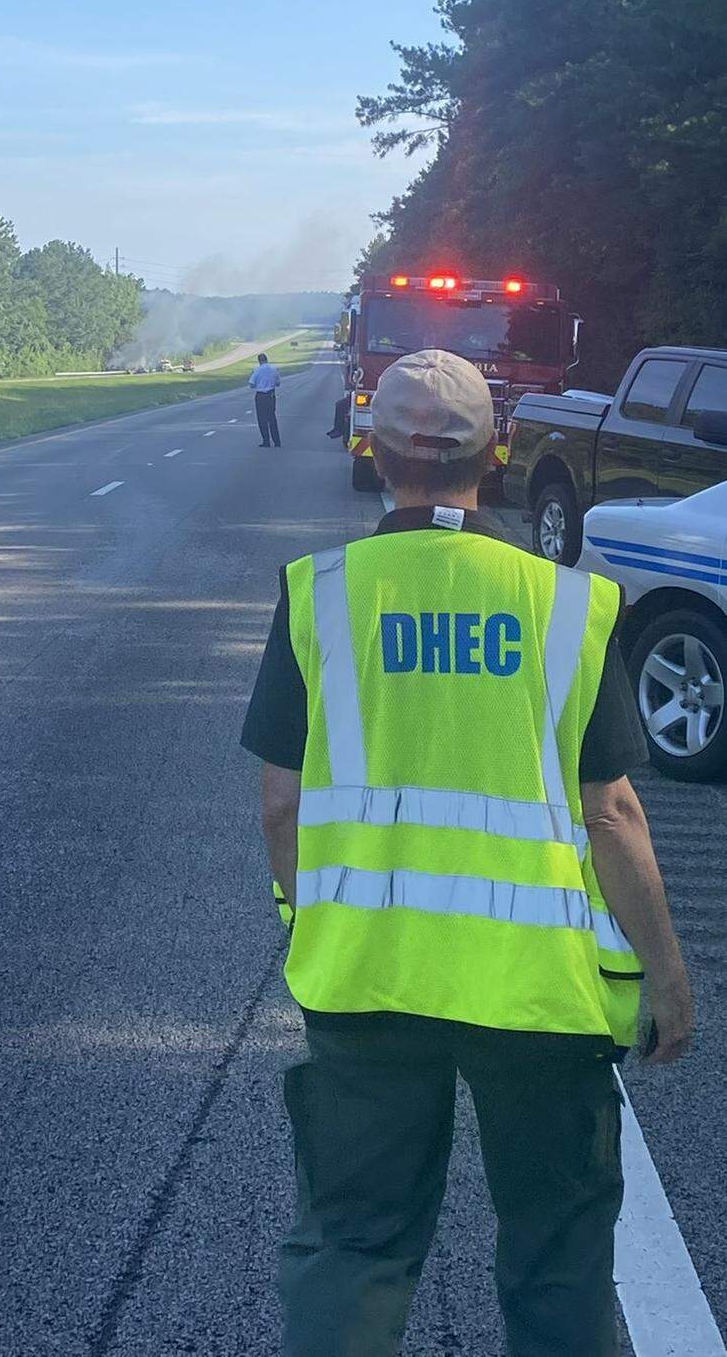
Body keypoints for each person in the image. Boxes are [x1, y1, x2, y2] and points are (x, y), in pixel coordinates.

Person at [240, 349, 692, 1357]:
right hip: (540, 989)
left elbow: (283, 803)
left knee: (355, 1243)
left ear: (374, 448)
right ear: (500, 450)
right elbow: (612, 813)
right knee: (559, 1249)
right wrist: (666, 972)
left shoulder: (320, 593)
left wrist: (313, 921)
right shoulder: (567, 602)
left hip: (366, 976)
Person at [249, 352, 282, 447]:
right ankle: (277, 441)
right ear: (267, 359)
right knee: (272, 417)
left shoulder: (257, 370)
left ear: (259, 361)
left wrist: (259, 384)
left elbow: (251, 384)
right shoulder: (273, 369)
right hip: (271, 395)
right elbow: (278, 383)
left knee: (262, 419)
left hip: (260, 396)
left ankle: (266, 441)